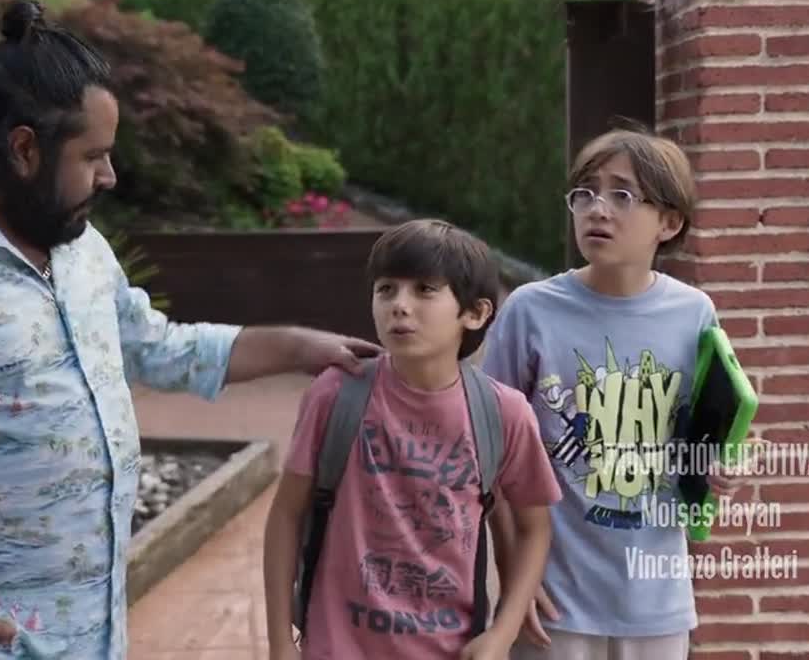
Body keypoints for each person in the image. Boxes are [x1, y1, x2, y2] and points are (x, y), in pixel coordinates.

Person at [0, 0, 382, 660]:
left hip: (92, 638)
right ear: (23, 149)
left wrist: (296, 348)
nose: (109, 177)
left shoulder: (79, 249)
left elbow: (159, 347)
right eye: (94, 156)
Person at [481, 128, 746, 660]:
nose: (597, 209)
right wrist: (514, 578)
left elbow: (699, 442)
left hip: (657, 604)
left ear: (668, 222)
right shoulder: (530, 311)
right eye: (585, 193)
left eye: (622, 195)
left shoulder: (695, 313)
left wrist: (717, 470)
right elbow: (491, 458)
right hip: (553, 602)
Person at [263, 218, 563, 660]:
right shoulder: (336, 394)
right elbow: (286, 515)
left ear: (475, 313)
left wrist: (502, 633)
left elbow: (535, 528)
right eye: (386, 289)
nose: (399, 306)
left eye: (425, 290)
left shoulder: (503, 412)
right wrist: (279, 642)